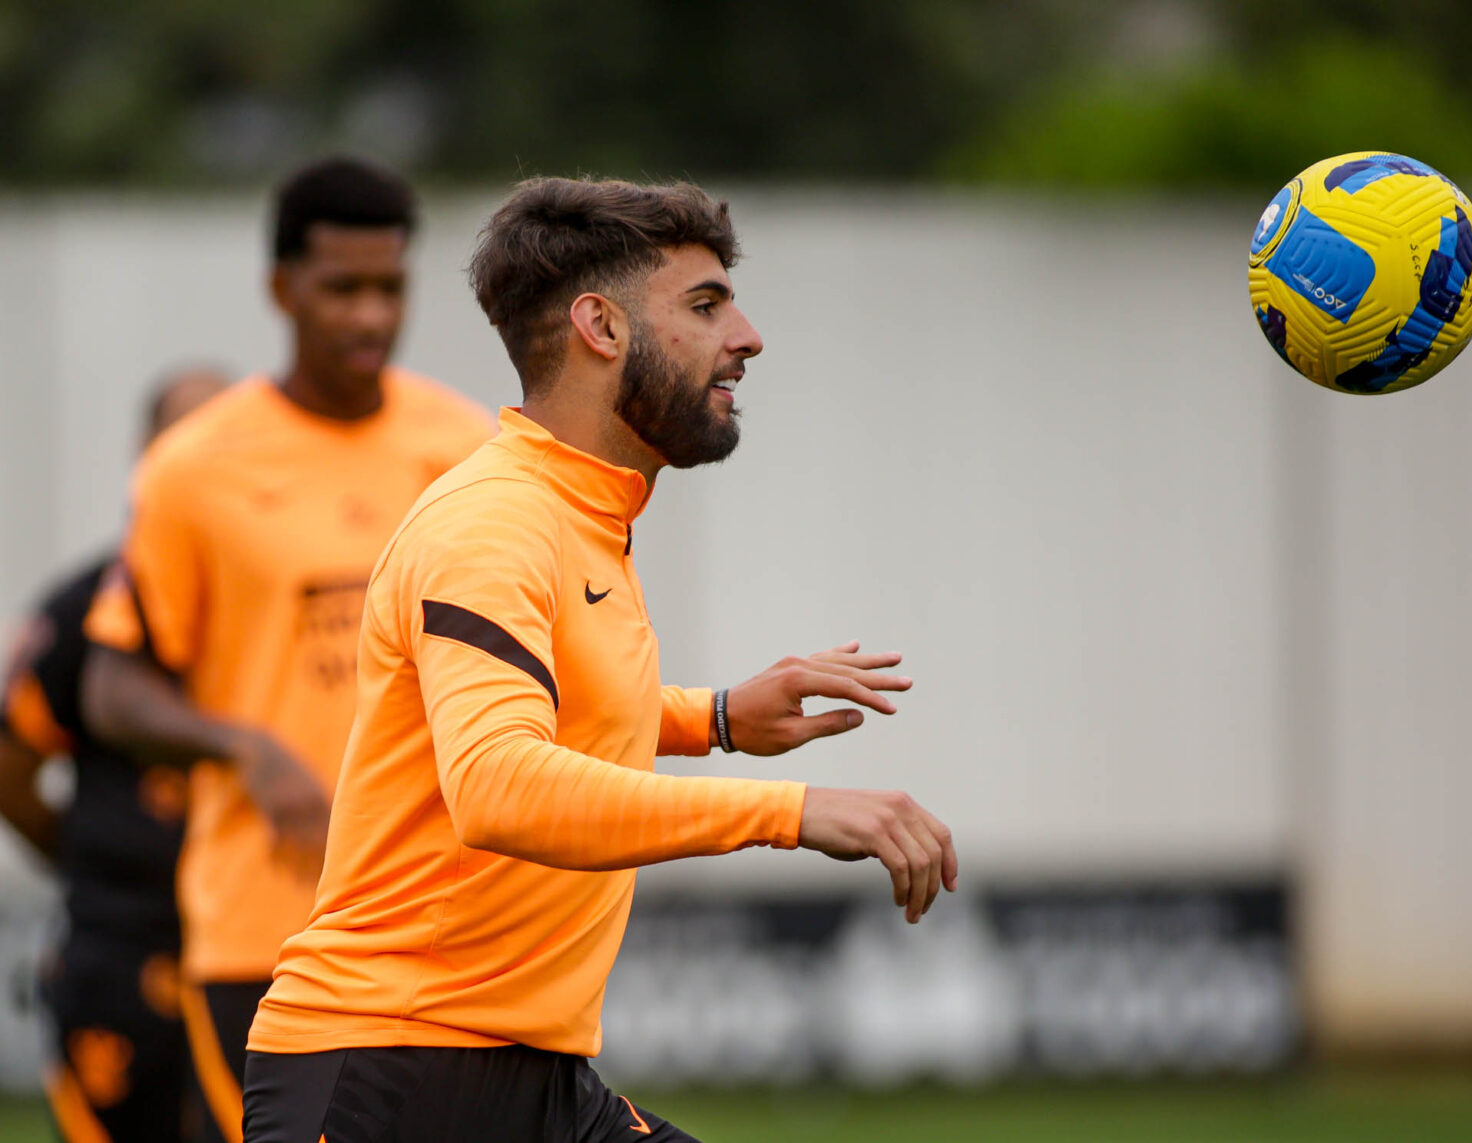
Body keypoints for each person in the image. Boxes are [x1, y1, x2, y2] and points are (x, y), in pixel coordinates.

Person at [242, 176, 958, 1143]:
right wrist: (793, 813)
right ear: (601, 327)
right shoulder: (493, 523)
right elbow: (497, 783)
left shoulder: (581, 511)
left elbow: (559, 700)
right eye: (705, 305)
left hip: (527, 1077)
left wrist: (714, 719)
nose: (746, 335)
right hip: (388, 1073)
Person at [80, 158, 493, 1143]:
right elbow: (112, 686)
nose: (368, 317)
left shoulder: (466, 446)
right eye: (340, 288)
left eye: (388, 288)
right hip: (265, 937)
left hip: (442, 924)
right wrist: (249, 750)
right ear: (281, 290)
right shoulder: (194, 469)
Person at [0, 364, 228, 1142]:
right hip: (123, 959)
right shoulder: (84, 608)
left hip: (259, 948)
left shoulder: (280, 605)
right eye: (183, 441)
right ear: (146, 457)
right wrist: (95, 852)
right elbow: (11, 765)